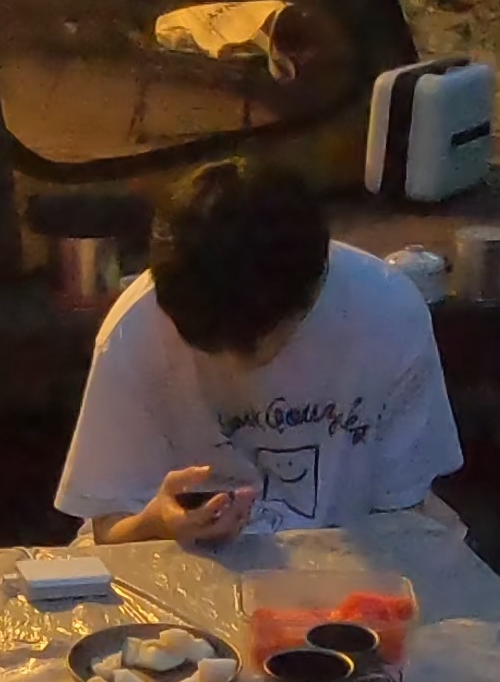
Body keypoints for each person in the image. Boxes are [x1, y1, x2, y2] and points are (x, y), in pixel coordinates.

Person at [55, 156, 463, 543]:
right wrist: (158, 524)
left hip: (346, 561)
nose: (233, 363)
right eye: (211, 345)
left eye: (251, 342)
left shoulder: (388, 314)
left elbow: (402, 511)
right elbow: (108, 527)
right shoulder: (136, 327)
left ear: (310, 294)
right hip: (182, 565)